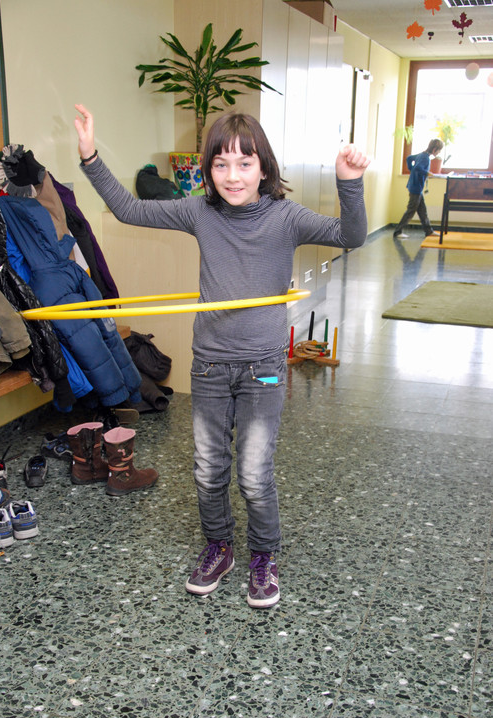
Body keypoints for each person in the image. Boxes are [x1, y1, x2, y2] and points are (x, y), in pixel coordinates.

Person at [74, 103, 370, 608]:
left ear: (264, 167)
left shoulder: (286, 218)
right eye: (221, 164)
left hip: (264, 369)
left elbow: (351, 236)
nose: (233, 176)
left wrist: (349, 181)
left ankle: (264, 556)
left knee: (254, 473)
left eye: (244, 163)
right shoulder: (199, 212)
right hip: (210, 365)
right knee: (209, 470)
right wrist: (90, 157)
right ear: (208, 170)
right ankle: (219, 547)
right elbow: (128, 209)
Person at [393, 138, 444, 239]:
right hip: (415, 188)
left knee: (422, 211)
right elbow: (417, 168)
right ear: (434, 149)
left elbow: (409, 158)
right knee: (411, 210)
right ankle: (397, 232)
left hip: (416, 187)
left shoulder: (422, 155)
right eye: (439, 150)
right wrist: (427, 173)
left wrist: (411, 169)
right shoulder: (425, 157)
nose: (439, 152)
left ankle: (428, 231)